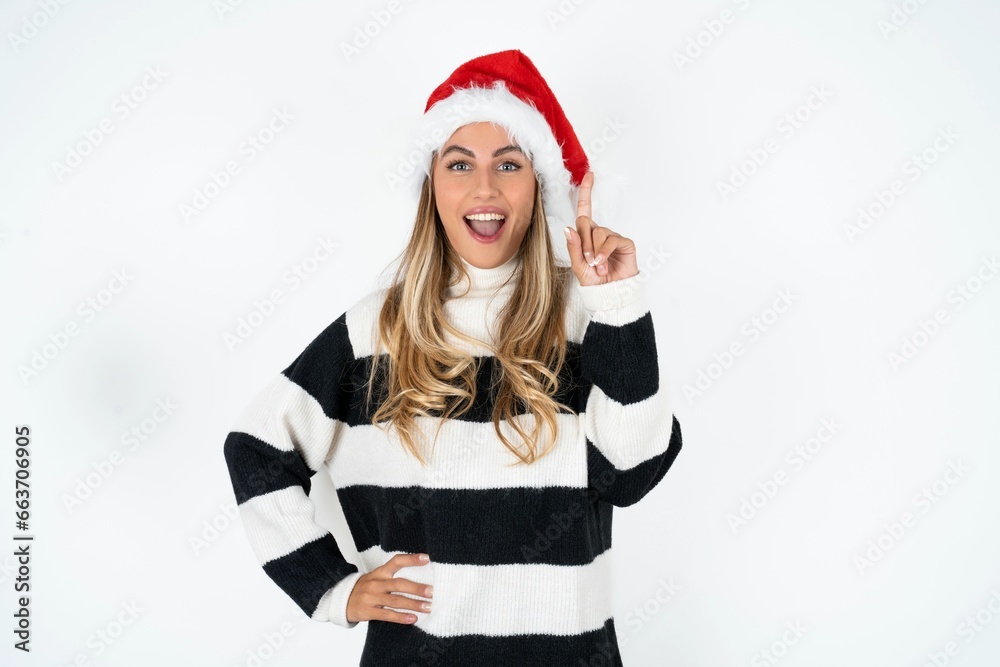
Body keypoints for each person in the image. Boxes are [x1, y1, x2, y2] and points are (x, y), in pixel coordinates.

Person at [222, 49, 683, 666]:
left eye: (509, 164)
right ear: (432, 185)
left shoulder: (588, 313)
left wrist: (619, 304)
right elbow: (257, 447)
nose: (484, 189)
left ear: (538, 184)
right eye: (459, 164)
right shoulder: (375, 330)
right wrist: (333, 587)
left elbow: (632, 474)